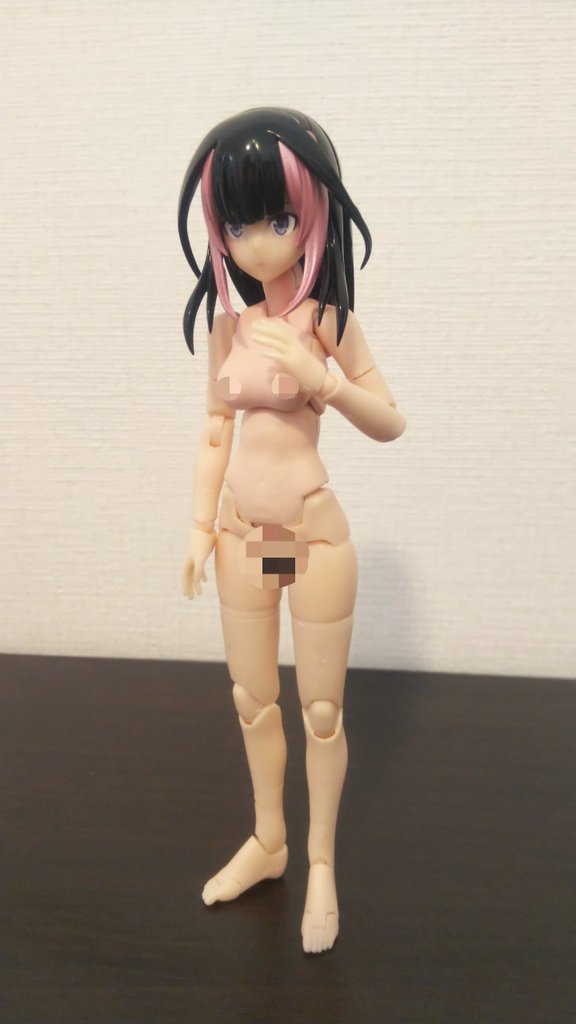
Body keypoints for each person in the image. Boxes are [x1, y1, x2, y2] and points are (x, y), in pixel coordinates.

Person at [178, 107, 406, 954]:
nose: (257, 243)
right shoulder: (228, 329)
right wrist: (198, 525)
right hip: (246, 538)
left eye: (277, 220)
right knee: (252, 700)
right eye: (237, 224)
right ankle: (269, 840)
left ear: (311, 217)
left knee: (319, 710)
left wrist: (325, 380)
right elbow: (216, 431)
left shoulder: (329, 323)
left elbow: (391, 419)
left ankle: (320, 865)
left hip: (310, 540)